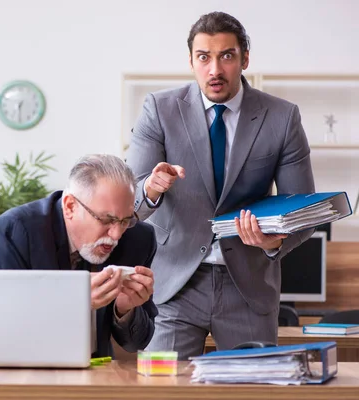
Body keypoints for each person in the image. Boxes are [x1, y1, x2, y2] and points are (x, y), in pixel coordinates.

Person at [126, 11, 315, 359]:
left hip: (248, 286)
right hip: (174, 285)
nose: (215, 69)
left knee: (250, 391)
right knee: (162, 392)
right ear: (191, 61)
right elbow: (130, 202)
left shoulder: (282, 117)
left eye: (226, 56)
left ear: (244, 59)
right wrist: (151, 189)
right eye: (204, 57)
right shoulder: (159, 109)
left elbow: (301, 211)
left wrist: (274, 242)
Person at [0, 154, 158, 358]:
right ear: (70, 206)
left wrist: (125, 310)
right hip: (21, 367)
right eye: (107, 220)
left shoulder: (138, 239)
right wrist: (75, 299)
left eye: (125, 220)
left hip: (95, 376)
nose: (116, 235)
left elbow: (137, 343)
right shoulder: (13, 232)